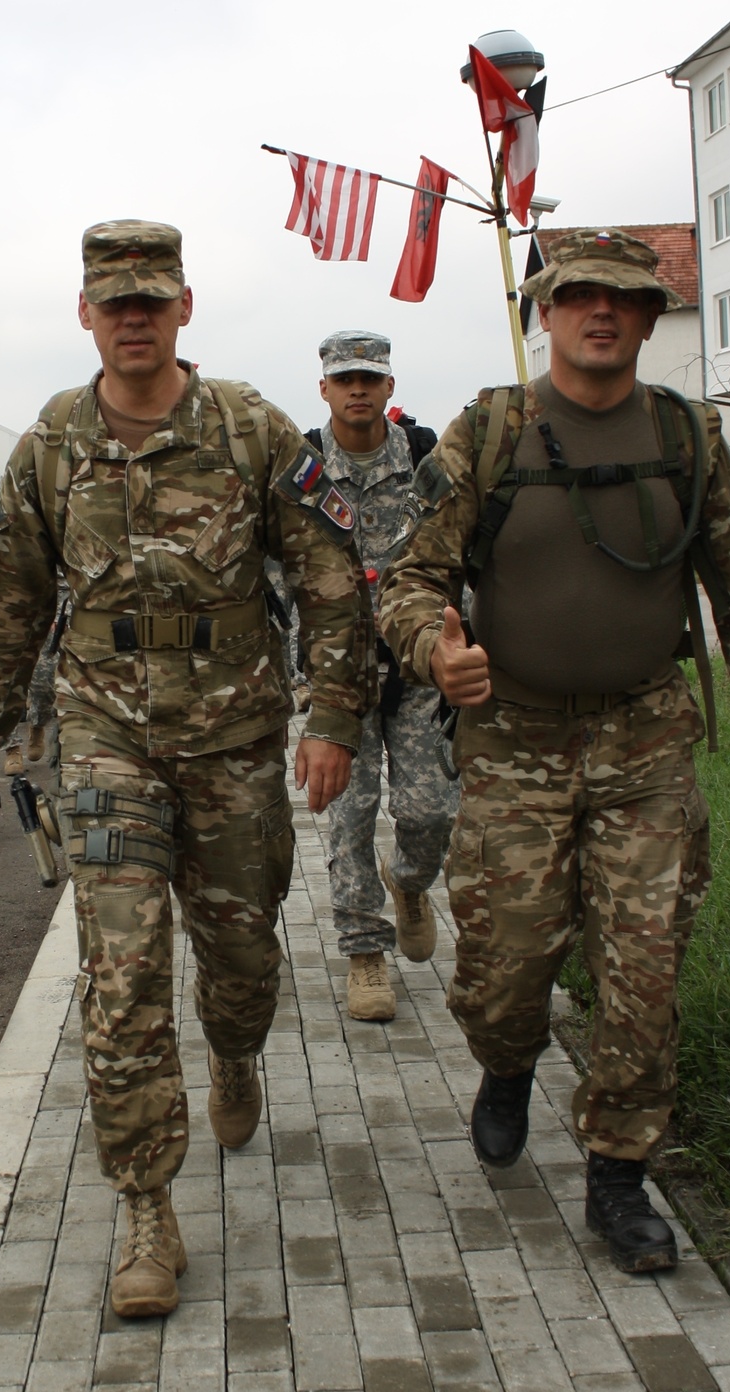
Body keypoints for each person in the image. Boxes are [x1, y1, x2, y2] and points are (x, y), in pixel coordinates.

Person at [0, 219, 373, 1317]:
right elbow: (4, 608)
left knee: (240, 961)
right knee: (123, 970)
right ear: (85, 314)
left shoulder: (249, 428)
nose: (134, 318)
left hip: (233, 741)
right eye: (114, 302)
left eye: (152, 299)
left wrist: (332, 715)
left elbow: (328, 572)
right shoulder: (52, 443)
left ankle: (235, 1055)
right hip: (106, 738)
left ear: (185, 307)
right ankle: (144, 1206)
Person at [377, 229, 730, 1274]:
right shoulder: (489, 431)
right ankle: (506, 1060)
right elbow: (407, 580)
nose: (600, 313)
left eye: (623, 298)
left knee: (642, 970)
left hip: (644, 742)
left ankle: (618, 1174)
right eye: (577, 295)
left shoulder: (686, 438)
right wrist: (436, 651)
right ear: (545, 310)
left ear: (651, 316)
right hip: (513, 744)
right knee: (502, 968)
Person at [310, 331, 455, 1022]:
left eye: (370, 377)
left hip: (418, 668)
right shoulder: (305, 470)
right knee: (349, 816)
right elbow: (282, 564)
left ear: (390, 387)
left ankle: (412, 881)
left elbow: (458, 544)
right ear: (325, 390)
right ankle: (365, 953)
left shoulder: (426, 461)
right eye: (345, 380)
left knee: (430, 811)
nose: (358, 390)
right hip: (340, 680)